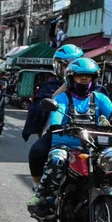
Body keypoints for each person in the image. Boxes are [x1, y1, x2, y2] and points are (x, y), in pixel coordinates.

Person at [27, 58, 112, 216]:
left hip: (94, 146)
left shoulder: (100, 98)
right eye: (80, 76)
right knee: (56, 160)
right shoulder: (62, 98)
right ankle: (44, 197)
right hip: (65, 144)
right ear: (71, 78)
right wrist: (56, 125)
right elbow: (57, 115)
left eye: (88, 76)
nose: (85, 79)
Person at [24, 44, 84, 187]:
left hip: (89, 136)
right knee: (37, 151)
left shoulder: (96, 89)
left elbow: (109, 111)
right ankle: (37, 186)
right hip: (59, 133)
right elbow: (40, 110)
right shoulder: (50, 86)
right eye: (67, 66)